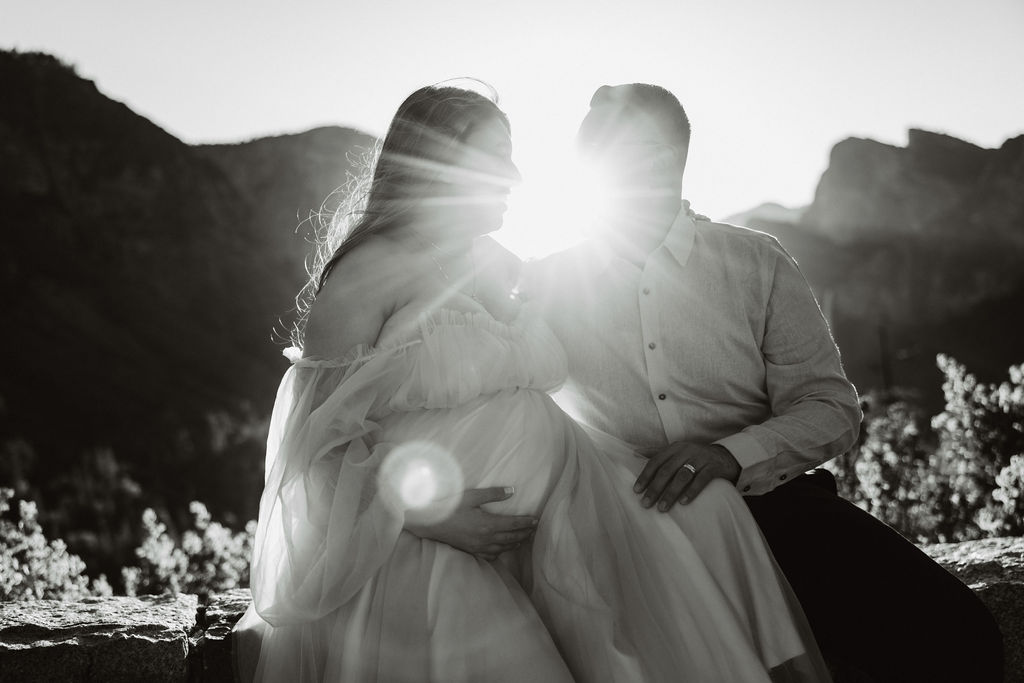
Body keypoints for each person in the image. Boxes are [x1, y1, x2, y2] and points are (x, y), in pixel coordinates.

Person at [233, 82, 833, 682]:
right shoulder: (366, 274)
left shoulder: (505, 266)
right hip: (432, 536)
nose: (517, 173)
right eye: (498, 154)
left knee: (711, 512)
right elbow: (315, 443)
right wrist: (421, 515)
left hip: (569, 494)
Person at [521, 83, 1004, 682]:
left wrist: (728, 455)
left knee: (960, 638)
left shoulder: (756, 261)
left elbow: (831, 406)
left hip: (773, 510)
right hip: (623, 529)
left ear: (670, 156)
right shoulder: (546, 283)